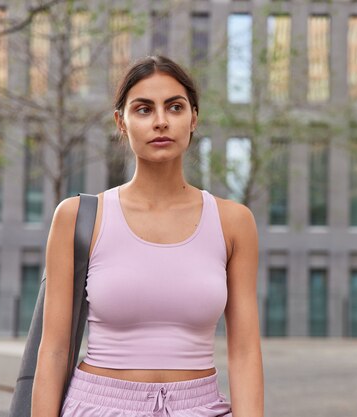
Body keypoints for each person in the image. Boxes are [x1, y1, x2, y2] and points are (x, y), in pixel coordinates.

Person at [31, 55, 264, 417]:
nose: (160, 121)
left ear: (193, 119)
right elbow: (54, 349)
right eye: (143, 109)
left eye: (174, 107)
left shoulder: (233, 222)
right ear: (121, 123)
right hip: (98, 406)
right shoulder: (77, 218)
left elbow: (246, 350)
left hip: (200, 407)